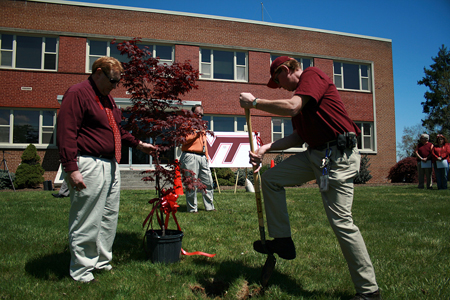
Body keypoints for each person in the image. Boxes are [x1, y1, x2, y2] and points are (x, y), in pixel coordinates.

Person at [239, 56, 381, 300]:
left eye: (277, 79)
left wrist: (255, 103)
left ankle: (369, 291)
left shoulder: (312, 76)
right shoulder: (300, 99)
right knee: (271, 179)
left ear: (286, 69)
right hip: (316, 154)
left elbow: (292, 106)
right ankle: (283, 241)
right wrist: (265, 149)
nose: (280, 86)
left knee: (341, 223)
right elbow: (297, 137)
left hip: (338, 156)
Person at [57, 56, 156, 283]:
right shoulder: (78, 94)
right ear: (98, 72)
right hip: (88, 163)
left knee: (108, 216)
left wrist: (138, 144)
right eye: (112, 81)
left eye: (117, 82)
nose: (114, 86)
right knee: (87, 217)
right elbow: (66, 132)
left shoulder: (108, 100)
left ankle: (101, 261)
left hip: (111, 164)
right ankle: (81, 269)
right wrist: (71, 168)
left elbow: (117, 131)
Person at [180, 105, 215, 213]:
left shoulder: (202, 126)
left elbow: (204, 142)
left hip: (202, 156)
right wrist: (196, 132)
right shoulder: (186, 124)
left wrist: (206, 155)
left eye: (201, 114)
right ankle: (192, 209)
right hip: (190, 155)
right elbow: (184, 140)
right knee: (191, 183)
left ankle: (210, 207)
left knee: (208, 182)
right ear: (192, 113)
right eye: (197, 114)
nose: (199, 116)